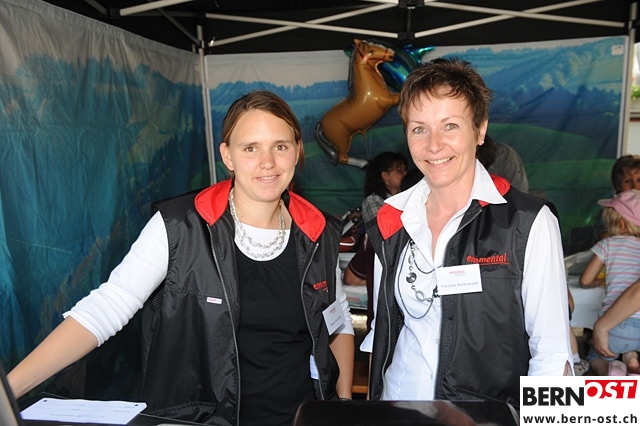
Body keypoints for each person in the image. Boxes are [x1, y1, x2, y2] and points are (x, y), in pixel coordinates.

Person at [8, 90, 354, 426]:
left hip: (298, 415)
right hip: (201, 420)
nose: (267, 162)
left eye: (280, 146)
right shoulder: (180, 227)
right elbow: (108, 306)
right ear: (228, 156)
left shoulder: (319, 232)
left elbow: (337, 322)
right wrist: (8, 392)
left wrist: (343, 405)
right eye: (251, 148)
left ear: (297, 150)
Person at [360, 57, 572, 405]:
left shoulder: (527, 222)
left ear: (480, 129)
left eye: (450, 126)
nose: (434, 145)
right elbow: (382, 332)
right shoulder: (391, 219)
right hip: (399, 407)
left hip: (486, 416)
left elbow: (552, 356)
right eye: (419, 129)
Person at [343, 151, 408, 331]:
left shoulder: (406, 200)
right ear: (385, 176)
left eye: (405, 170)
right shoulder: (374, 201)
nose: (404, 174)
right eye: (399, 170)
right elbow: (385, 234)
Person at [580, 190, 640, 375]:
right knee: (630, 346)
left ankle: (611, 371)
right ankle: (632, 361)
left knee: (595, 356)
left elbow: (585, 280)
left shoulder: (607, 245)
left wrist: (596, 283)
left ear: (620, 224)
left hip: (614, 324)